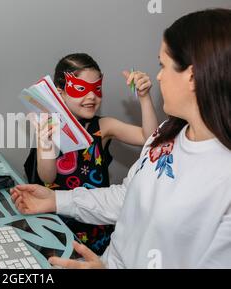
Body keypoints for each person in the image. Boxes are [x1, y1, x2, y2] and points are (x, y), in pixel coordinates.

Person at [14, 8, 231, 268]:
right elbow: (128, 198)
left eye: (163, 65)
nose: (158, 75)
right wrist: (56, 200)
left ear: (193, 76)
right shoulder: (165, 136)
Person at [24, 53, 159, 254]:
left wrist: (144, 97)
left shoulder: (103, 127)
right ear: (60, 92)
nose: (91, 96)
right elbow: (47, 176)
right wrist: (44, 141)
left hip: (98, 229)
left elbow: (150, 139)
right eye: (81, 89)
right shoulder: (49, 127)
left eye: (96, 88)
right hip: (58, 229)